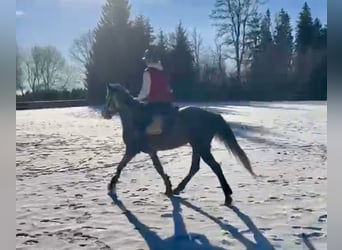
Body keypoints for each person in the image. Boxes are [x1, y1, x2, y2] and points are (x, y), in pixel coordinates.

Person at [135, 47, 175, 138]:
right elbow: (168, 89)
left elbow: (146, 91)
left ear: (148, 60)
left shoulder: (148, 72)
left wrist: (137, 99)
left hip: (155, 103)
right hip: (167, 104)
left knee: (140, 122)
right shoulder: (164, 72)